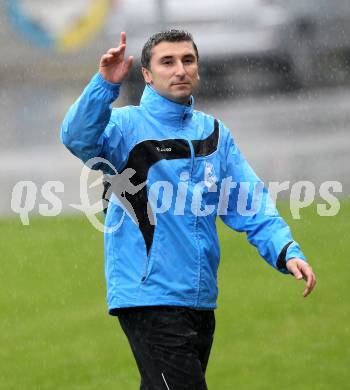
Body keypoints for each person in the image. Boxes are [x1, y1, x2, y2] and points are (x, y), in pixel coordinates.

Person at [61, 29, 316, 389]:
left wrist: (286, 249)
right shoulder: (124, 126)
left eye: (188, 60)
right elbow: (77, 138)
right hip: (149, 299)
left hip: (199, 299)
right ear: (147, 74)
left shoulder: (214, 133)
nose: (180, 69)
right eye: (167, 62)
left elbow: (249, 201)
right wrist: (104, 85)